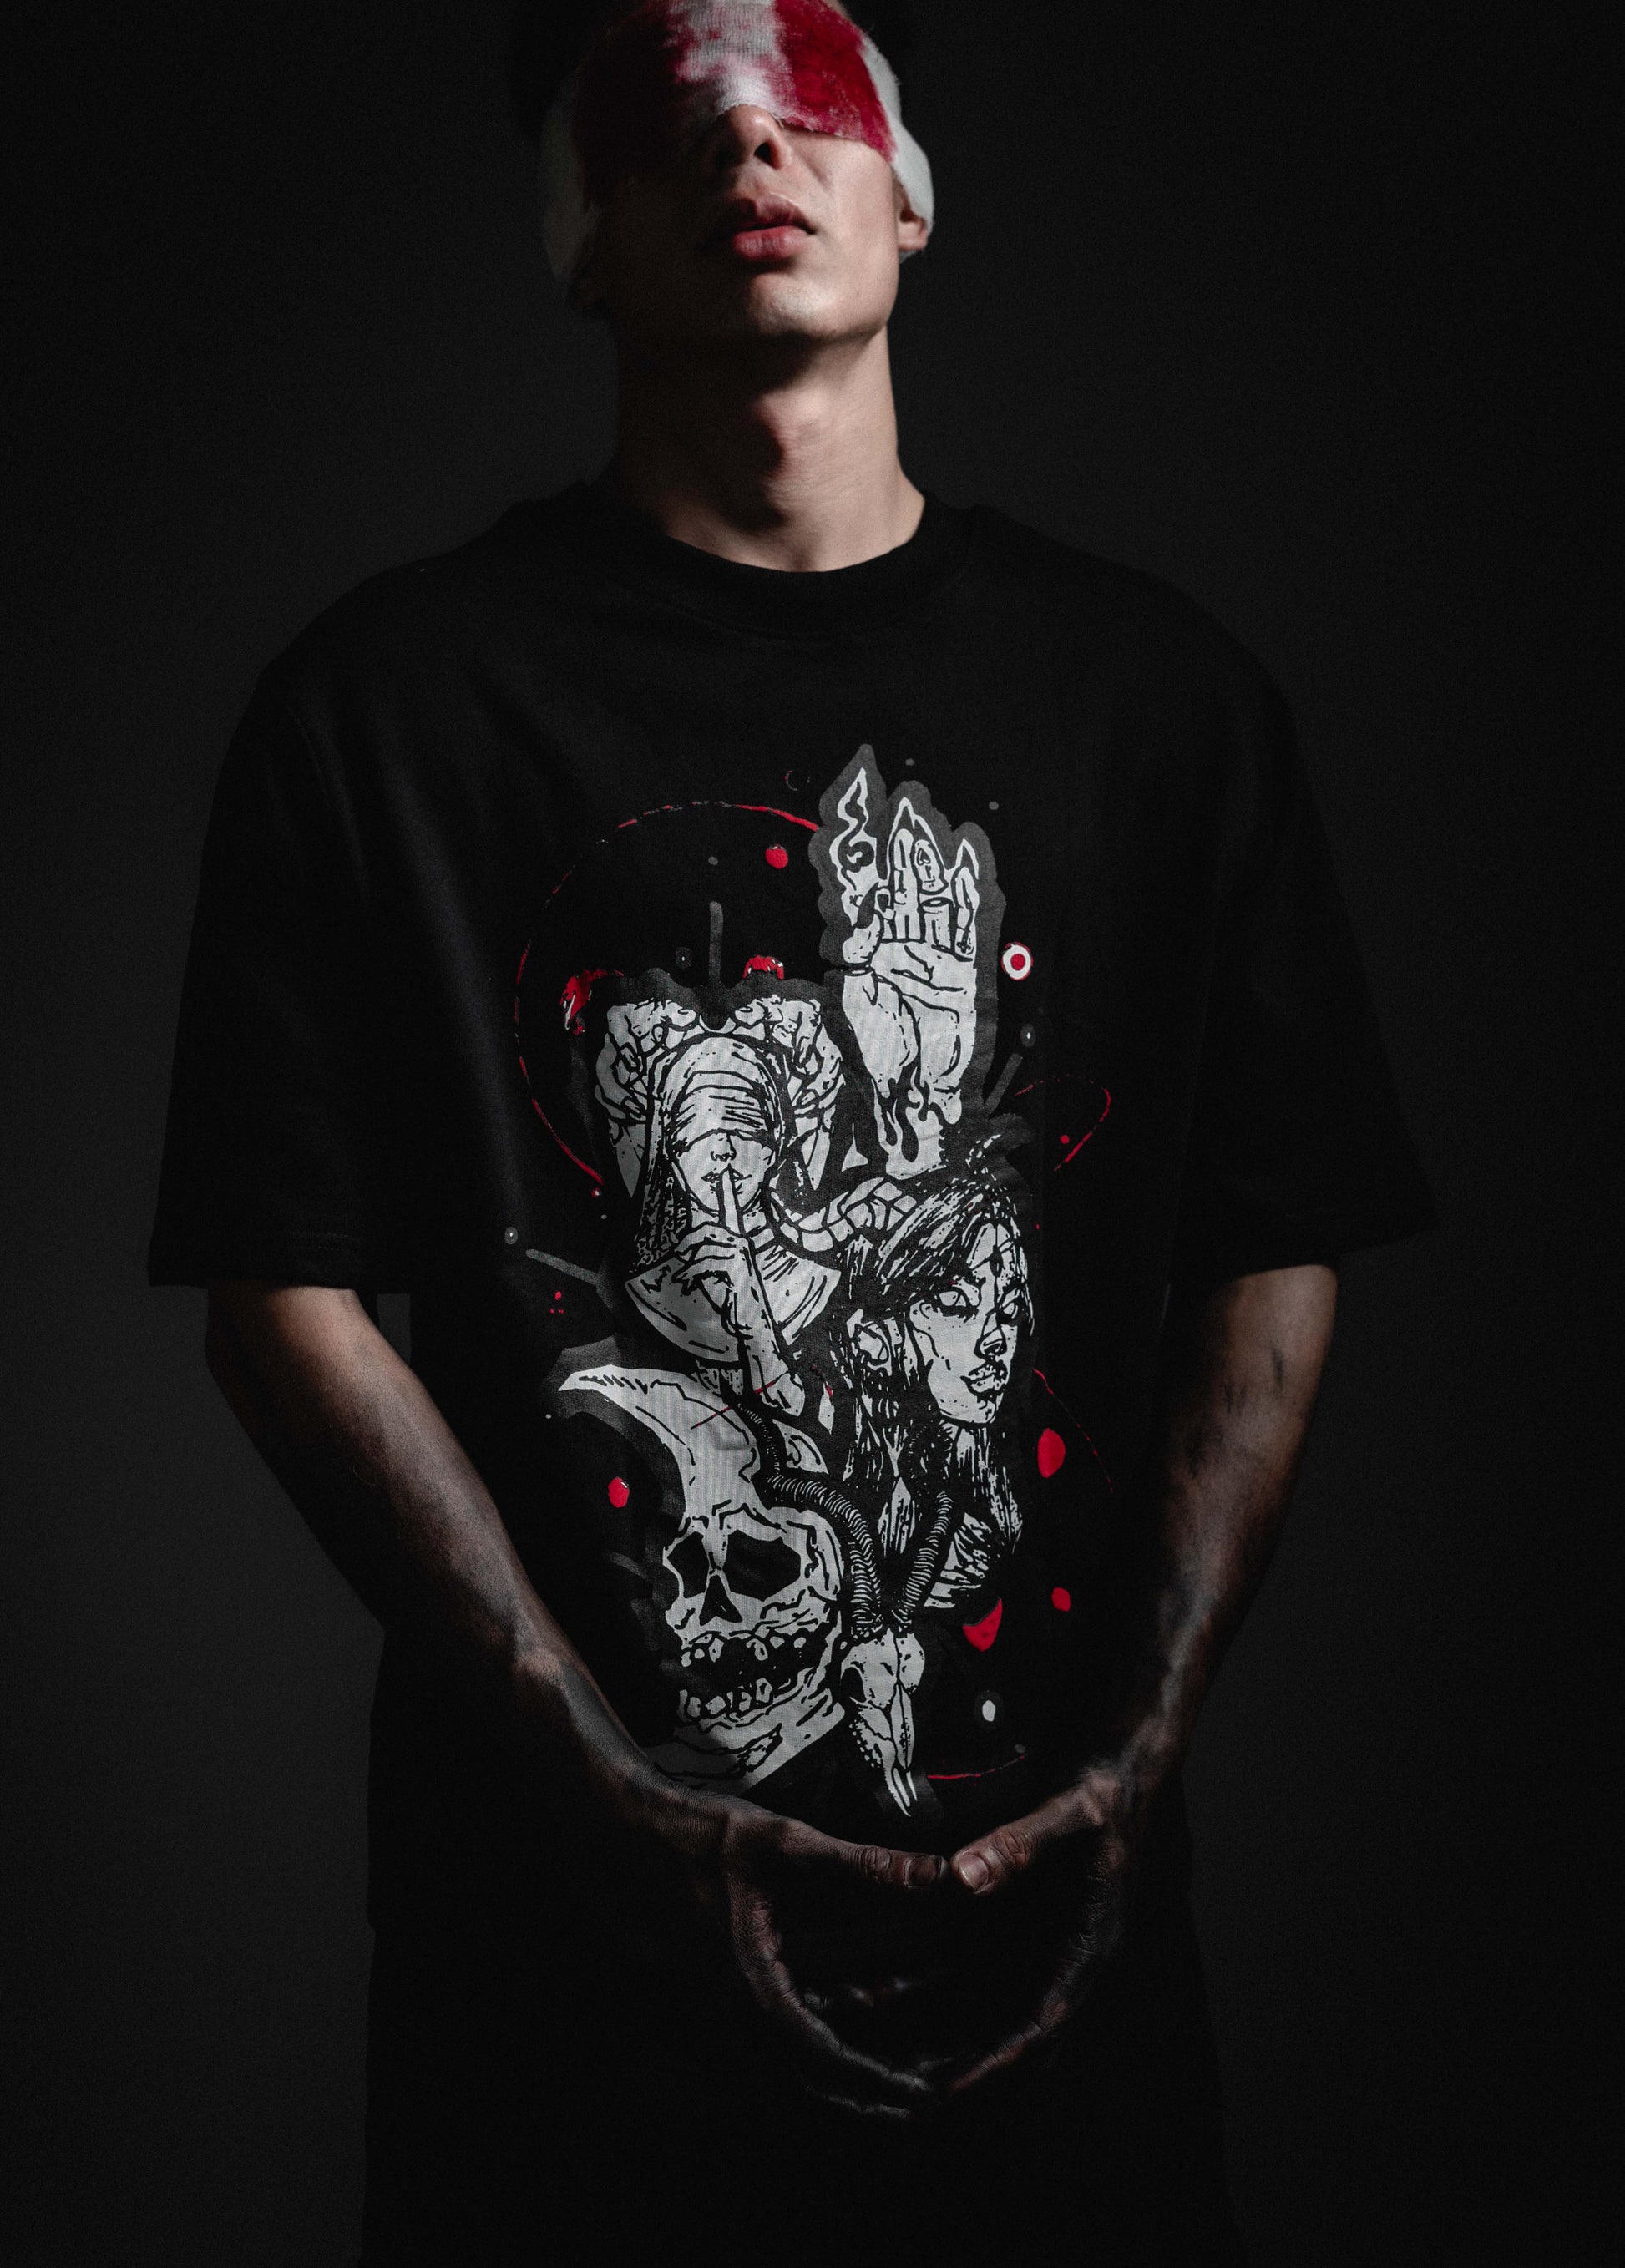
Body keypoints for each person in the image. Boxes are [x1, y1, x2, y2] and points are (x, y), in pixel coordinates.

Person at [149, 3, 1435, 2258]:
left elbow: (1276, 1228)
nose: (751, 132)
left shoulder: (1165, 706)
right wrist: (600, 1785)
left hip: (1053, 1971)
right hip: (555, 2009)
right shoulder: (381, 715)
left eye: (811, 87)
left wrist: (1137, 1758)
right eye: (674, 103)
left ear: (909, 192)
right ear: (578, 229)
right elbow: (281, 1291)